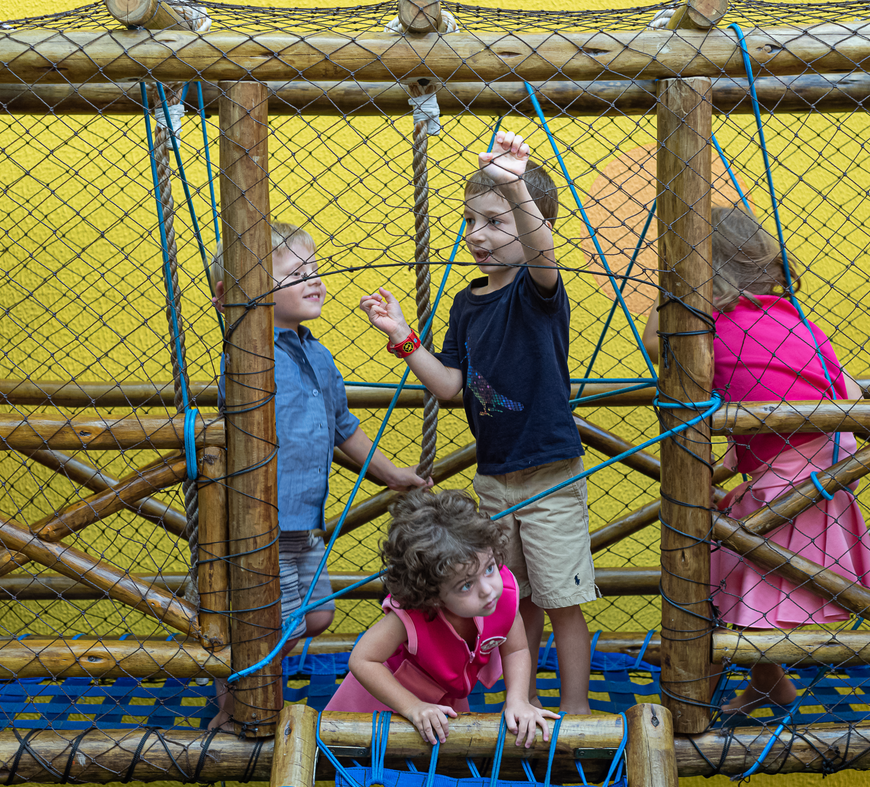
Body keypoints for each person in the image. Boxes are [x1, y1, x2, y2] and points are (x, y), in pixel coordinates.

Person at [359, 131, 598, 714]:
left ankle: (578, 711)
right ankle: (524, 701)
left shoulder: (536, 291)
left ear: (528, 219)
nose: (477, 236)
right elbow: (448, 385)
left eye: (494, 222)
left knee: (563, 600)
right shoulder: (467, 303)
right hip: (495, 477)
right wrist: (401, 339)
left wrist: (515, 183)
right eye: (471, 221)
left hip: (550, 475)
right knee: (515, 601)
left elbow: (541, 252)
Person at [644, 206, 870, 713]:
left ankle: (688, 701)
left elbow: (655, 349)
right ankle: (770, 685)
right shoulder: (795, 320)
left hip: (793, 478)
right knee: (734, 566)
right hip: (832, 461)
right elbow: (842, 390)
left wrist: (668, 293)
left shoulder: (709, 334)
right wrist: (718, 476)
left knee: (710, 577)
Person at [208, 221, 429, 730]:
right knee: (268, 622)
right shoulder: (248, 356)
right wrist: (234, 306)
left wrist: (392, 473)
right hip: (259, 521)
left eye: (316, 270)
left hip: (304, 519)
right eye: (296, 273)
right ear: (237, 295)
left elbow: (343, 429)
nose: (315, 281)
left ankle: (248, 688)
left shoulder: (318, 355)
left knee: (316, 616)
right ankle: (239, 704)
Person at [325, 489, 559, 747]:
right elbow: (362, 659)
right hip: (381, 702)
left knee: (435, 770)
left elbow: (516, 650)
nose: (488, 589)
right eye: (466, 585)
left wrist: (517, 699)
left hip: (443, 701)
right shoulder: (411, 617)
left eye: (490, 568)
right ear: (433, 595)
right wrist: (412, 706)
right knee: (359, 767)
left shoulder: (502, 596)